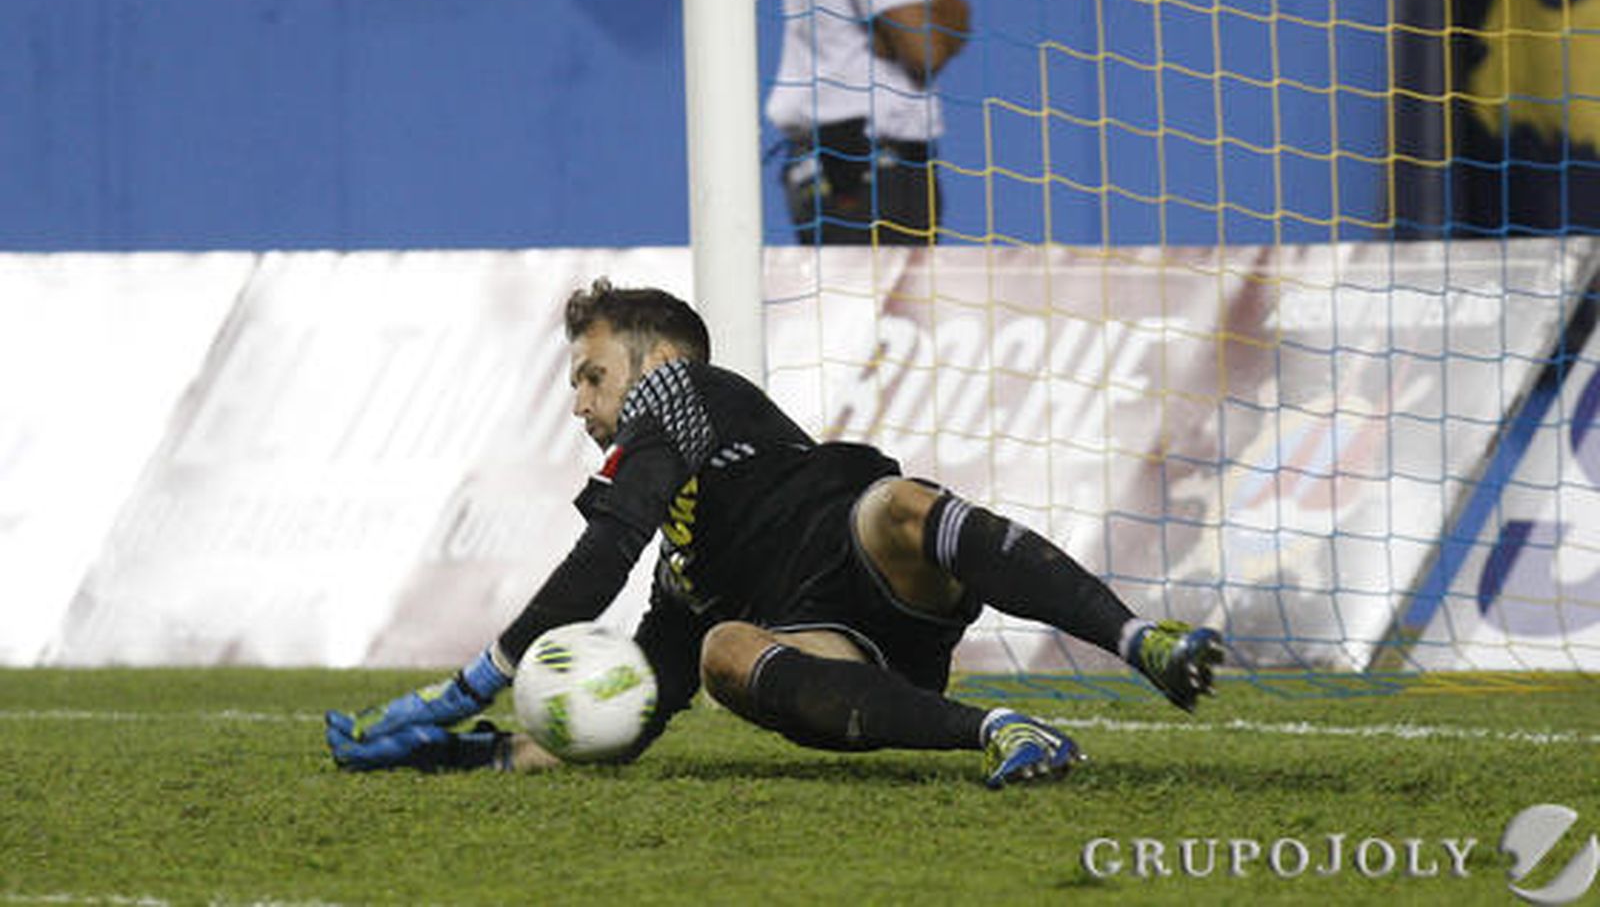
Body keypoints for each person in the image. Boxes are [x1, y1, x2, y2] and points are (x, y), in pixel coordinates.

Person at [325, 280, 1223, 788]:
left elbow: (604, 551)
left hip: (873, 559)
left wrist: (467, 685)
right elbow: (637, 708)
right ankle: (1001, 730)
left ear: (655, 363)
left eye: (592, 377)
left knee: (895, 503)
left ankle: (1141, 639)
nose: (580, 405)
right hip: (841, 655)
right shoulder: (687, 564)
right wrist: (465, 752)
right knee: (718, 651)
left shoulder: (680, 395)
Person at [765, 0, 971, 246]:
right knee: (867, 312)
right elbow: (925, 50)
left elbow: (958, 18)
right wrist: (922, 19)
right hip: (856, 168)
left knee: (900, 310)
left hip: (893, 163)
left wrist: (913, 25)